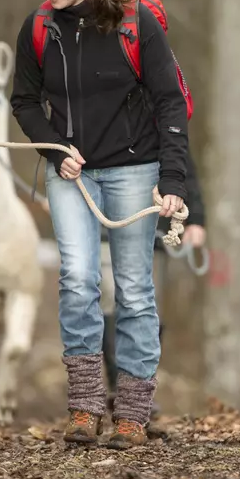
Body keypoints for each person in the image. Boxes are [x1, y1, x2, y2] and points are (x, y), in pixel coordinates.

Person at [10, 0, 190, 449]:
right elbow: (24, 101)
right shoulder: (39, 29)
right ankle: (86, 407)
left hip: (136, 170)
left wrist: (173, 180)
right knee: (77, 282)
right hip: (72, 173)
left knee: (133, 289)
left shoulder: (137, 23)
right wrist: (52, 147)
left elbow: (171, 103)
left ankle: (132, 412)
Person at [101, 149, 207, 417]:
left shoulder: (160, 116)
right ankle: (118, 382)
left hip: (153, 225)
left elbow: (182, 164)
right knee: (110, 305)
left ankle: (138, 384)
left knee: (147, 305)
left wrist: (195, 219)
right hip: (104, 221)